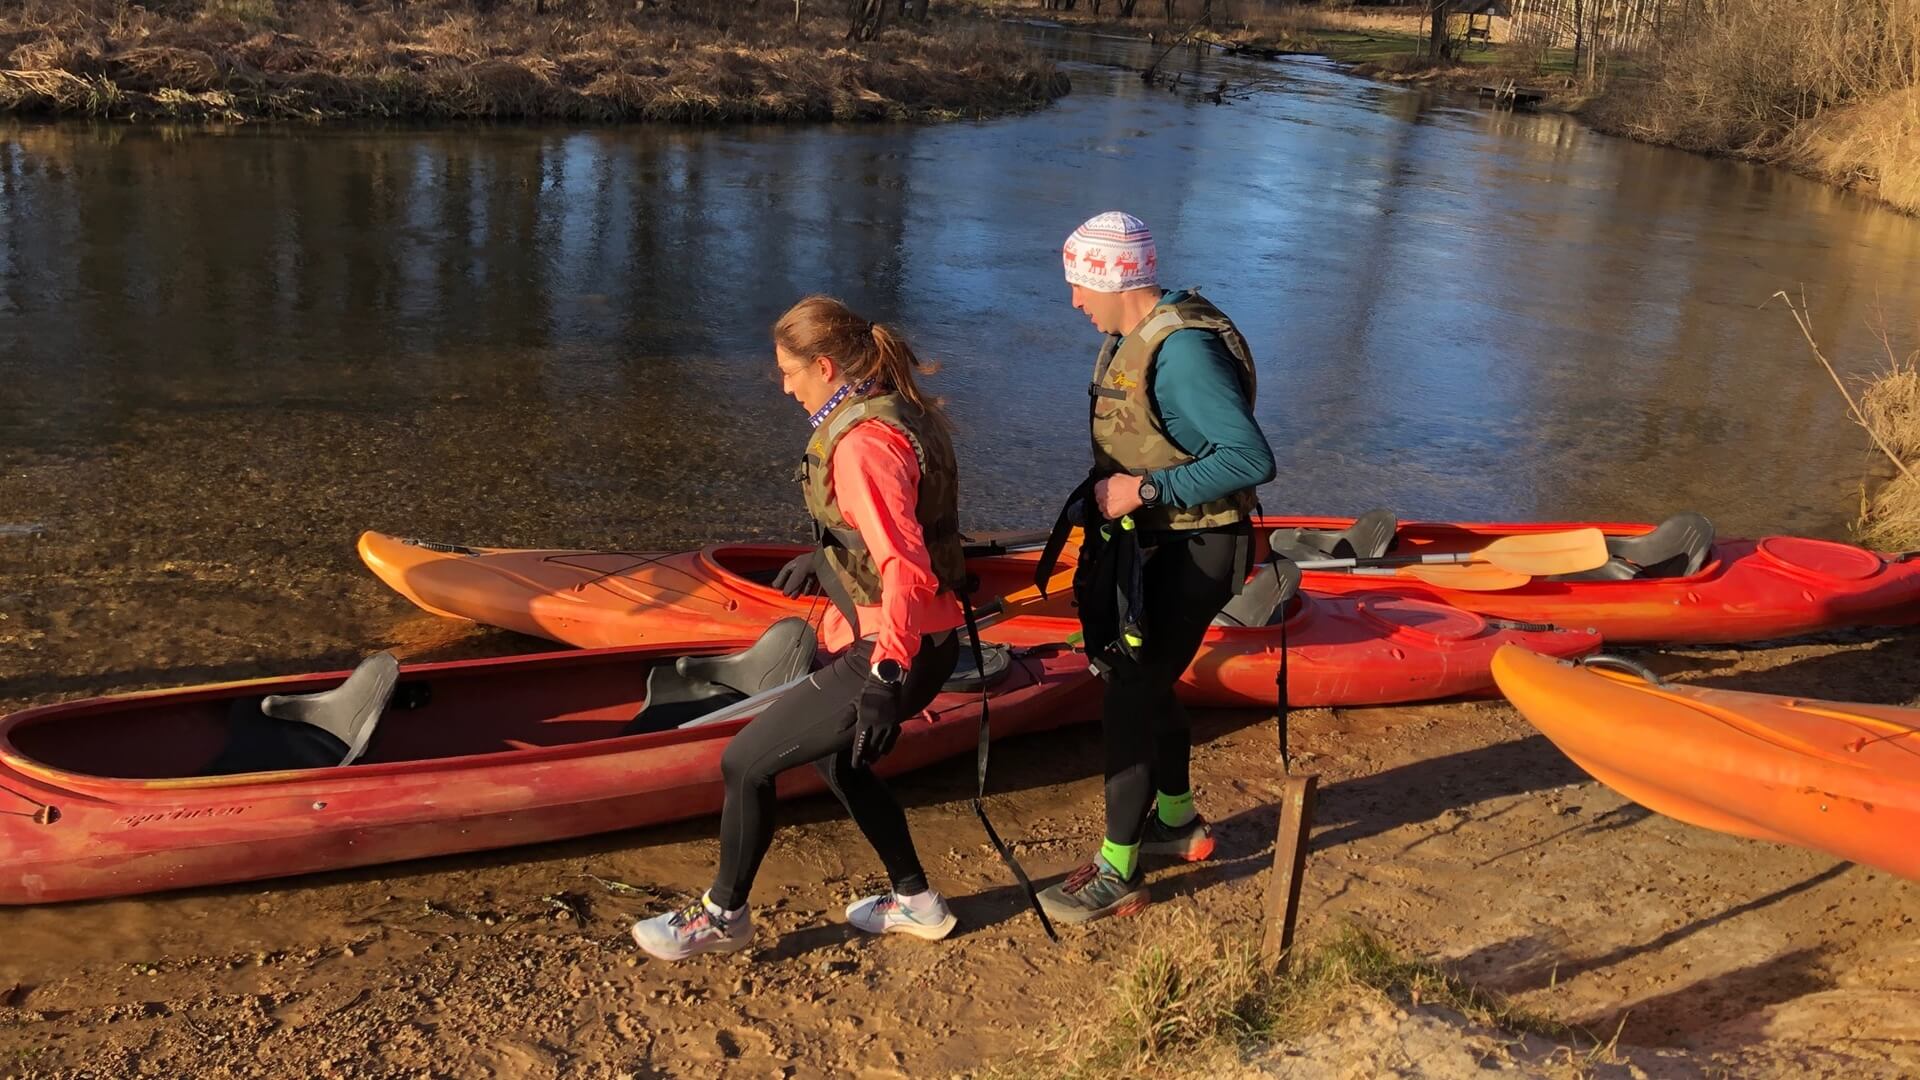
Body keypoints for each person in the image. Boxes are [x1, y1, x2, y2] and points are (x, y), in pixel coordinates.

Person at [632, 295, 970, 961]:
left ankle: (722, 915)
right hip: (923, 637)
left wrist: (887, 673)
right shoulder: (892, 409)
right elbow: (896, 532)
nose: (783, 385)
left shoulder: (862, 444)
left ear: (823, 366)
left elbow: (903, 564)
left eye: (787, 371)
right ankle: (916, 902)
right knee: (837, 761)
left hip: (897, 646)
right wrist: (824, 556)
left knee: (743, 762)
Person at [1037, 211, 1277, 926]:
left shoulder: (1183, 354)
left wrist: (1144, 490)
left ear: (1116, 280)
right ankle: (1176, 821)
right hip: (1158, 542)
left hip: (1201, 547)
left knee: (1129, 692)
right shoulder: (1134, 338)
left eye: (1080, 285)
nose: (1076, 302)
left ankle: (1119, 870)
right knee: (1143, 676)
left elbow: (1250, 459)